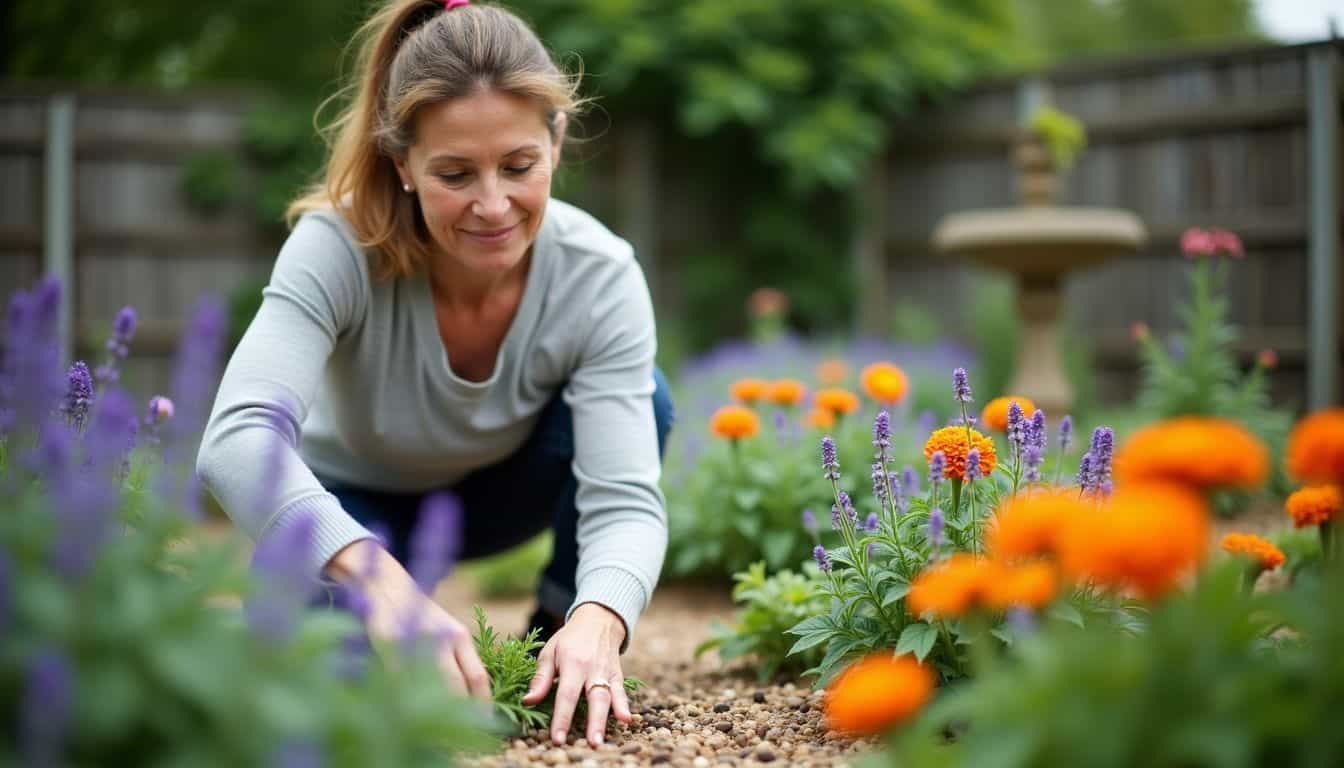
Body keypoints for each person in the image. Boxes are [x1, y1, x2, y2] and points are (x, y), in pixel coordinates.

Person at [195, 0, 672, 748]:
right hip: (352, 515)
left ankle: (556, 650)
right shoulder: (336, 247)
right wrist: (378, 581)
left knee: (654, 400)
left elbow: (625, 502)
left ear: (554, 140)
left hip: (503, 492)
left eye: (519, 166)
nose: (493, 205)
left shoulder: (600, 273)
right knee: (328, 690)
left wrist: (600, 617)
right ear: (403, 167)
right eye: (455, 173)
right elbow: (236, 440)